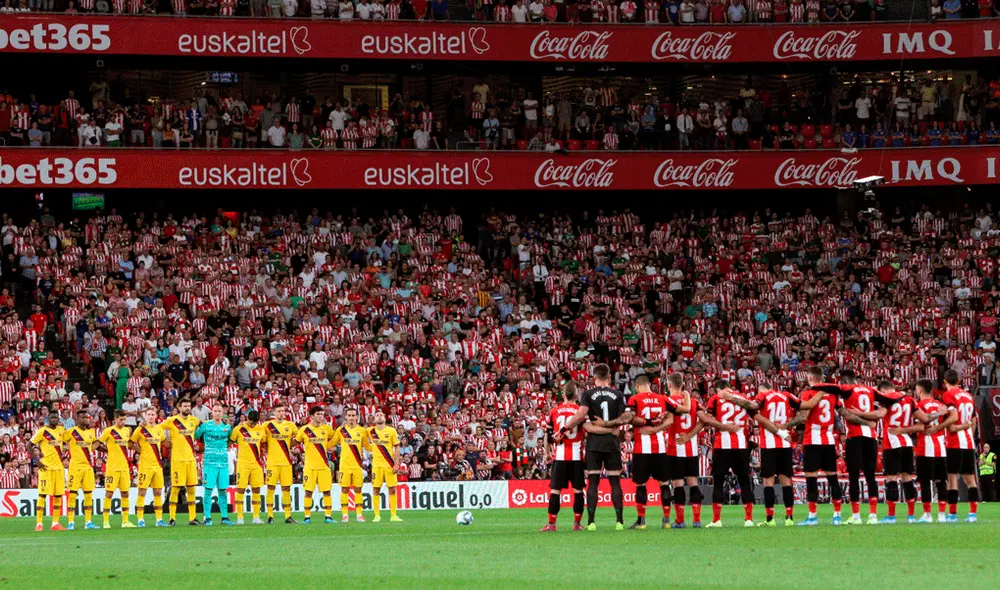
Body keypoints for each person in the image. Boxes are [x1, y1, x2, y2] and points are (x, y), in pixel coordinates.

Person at [796, 366, 870, 526]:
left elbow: (804, 416)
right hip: (829, 441)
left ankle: (812, 516)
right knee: (833, 478)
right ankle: (837, 516)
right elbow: (846, 414)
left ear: (810, 378)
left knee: (811, 479)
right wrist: (865, 422)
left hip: (812, 440)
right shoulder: (832, 395)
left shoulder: (808, 393)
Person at [563, 363, 632, 530]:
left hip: (594, 443)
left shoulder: (588, 394)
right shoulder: (618, 394)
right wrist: (611, 426)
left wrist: (565, 427)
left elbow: (582, 418)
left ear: (594, 377)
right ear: (609, 377)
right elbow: (626, 417)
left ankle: (591, 522)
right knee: (615, 482)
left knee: (593, 482)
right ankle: (619, 522)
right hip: (612, 443)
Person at [626, 375, 687, 529]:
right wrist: (686, 395)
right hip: (660, 448)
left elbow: (630, 419)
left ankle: (641, 522)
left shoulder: (634, 399)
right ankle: (666, 521)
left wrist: (648, 424)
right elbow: (678, 414)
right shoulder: (663, 398)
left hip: (642, 448)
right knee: (664, 484)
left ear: (637, 386)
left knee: (640, 485)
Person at [700, 380, 756, 527]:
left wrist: (724, 426)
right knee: (745, 481)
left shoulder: (716, 398)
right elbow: (754, 409)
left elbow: (707, 419)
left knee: (718, 482)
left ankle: (716, 520)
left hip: (722, 445)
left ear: (719, 389)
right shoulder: (742, 397)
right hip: (741, 445)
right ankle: (749, 519)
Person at [743, 382, 798, 526]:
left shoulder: (763, 396)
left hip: (769, 444)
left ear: (762, 390)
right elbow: (802, 407)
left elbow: (753, 407)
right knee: (786, 481)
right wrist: (789, 425)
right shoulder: (786, 395)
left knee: (768, 482)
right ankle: (789, 518)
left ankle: (770, 519)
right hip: (785, 443)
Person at [836, 371, 885, 525]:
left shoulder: (847, 390)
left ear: (845, 381)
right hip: (871, 437)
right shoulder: (870, 390)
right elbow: (882, 406)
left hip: (855, 436)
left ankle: (856, 516)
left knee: (854, 476)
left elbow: (848, 415)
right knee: (871, 476)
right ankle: (873, 516)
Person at [540, 382, 586, 532]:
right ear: (576, 395)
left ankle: (551, 524)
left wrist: (547, 453)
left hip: (559, 456)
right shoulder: (580, 411)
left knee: (555, 491)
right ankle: (577, 524)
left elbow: (547, 435)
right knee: (578, 491)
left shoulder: (554, 411)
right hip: (577, 457)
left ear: (563, 395)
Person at [873, 381, 921, 524]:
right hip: (907, 442)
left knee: (891, 478)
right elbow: (921, 419)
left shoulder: (887, 399)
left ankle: (891, 516)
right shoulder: (909, 399)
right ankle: (911, 515)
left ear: (884, 390)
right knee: (907, 478)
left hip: (891, 443)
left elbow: (880, 414)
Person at [940, 369, 980, 522]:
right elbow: (974, 421)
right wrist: (968, 432)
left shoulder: (948, 395)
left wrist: (953, 427)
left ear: (945, 382)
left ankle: (953, 514)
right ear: (959, 381)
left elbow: (951, 421)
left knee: (952, 478)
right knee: (970, 479)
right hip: (968, 442)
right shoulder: (969, 396)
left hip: (954, 442)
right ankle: (972, 514)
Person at [913, 378, 955, 523]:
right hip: (940, 447)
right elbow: (952, 419)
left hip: (925, 447)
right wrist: (939, 427)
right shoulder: (940, 404)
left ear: (920, 390)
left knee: (925, 481)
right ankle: (942, 514)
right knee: (941, 481)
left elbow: (920, 425)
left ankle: (927, 514)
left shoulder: (919, 405)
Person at [665, 373, 702, 528]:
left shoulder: (668, 401)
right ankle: (697, 520)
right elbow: (704, 421)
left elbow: (666, 422)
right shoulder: (693, 401)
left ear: (669, 385)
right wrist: (690, 435)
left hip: (675, 448)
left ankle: (680, 521)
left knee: (678, 484)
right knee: (693, 483)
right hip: (691, 449)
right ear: (682, 385)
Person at [162, 397, 202, 526]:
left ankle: (192, 518)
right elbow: (157, 428)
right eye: (184, 406)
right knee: (175, 489)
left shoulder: (194, 420)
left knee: (191, 489)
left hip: (190, 460)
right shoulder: (172, 421)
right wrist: (164, 441)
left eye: (188, 406)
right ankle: (172, 518)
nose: (187, 408)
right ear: (179, 408)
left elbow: (204, 426)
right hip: (177, 461)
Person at [195, 404, 233, 526]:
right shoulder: (206, 425)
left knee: (222, 490)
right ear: (212, 413)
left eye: (219, 411)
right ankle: (207, 518)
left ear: (223, 413)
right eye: (215, 411)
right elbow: (195, 435)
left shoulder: (227, 427)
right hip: (209, 464)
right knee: (208, 490)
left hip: (223, 464)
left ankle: (224, 517)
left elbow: (231, 440)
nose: (217, 413)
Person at [330, 407, 370, 522]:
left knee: (358, 489)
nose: (351, 418)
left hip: (357, 465)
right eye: (349, 415)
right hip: (344, 465)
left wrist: (379, 448)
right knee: (344, 489)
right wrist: (320, 443)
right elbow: (332, 443)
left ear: (357, 417)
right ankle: (345, 515)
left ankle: (359, 515)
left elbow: (367, 446)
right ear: (346, 417)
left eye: (353, 415)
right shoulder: (341, 430)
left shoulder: (362, 431)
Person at [296, 406, 335, 524]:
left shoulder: (327, 429)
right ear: (312, 416)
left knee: (327, 491)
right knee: (308, 492)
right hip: (310, 467)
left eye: (322, 414)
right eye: (318, 414)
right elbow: (296, 442)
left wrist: (332, 447)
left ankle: (328, 516)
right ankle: (307, 517)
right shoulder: (304, 430)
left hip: (324, 466)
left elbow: (335, 440)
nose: (321, 416)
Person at [97, 410, 135, 528]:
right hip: (112, 468)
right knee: (109, 493)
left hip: (124, 468)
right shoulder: (108, 431)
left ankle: (125, 521)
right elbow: (98, 444)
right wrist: (106, 450)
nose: (123, 422)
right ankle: (105, 521)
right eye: (121, 419)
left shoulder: (127, 431)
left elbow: (129, 444)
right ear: (115, 419)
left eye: (124, 419)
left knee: (125, 493)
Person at [130, 407, 167, 527]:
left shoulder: (159, 429)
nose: (150, 416)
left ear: (156, 416)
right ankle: (140, 519)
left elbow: (164, 443)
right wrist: (140, 450)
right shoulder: (140, 429)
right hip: (145, 466)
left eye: (152, 414)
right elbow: (130, 443)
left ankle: (159, 520)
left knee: (158, 492)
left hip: (157, 465)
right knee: (142, 492)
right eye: (148, 414)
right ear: (145, 416)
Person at [262, 404, 298, 524]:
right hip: (272, 462)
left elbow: (299, 437)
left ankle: (288, 516)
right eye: (279, 411)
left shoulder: (290, 425)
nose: (281, 413)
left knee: (286, 488)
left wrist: (289, 447)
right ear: (274, 413)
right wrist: (265, 450)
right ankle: (270, 516)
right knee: (270, 488)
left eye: (283, 411)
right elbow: (260, 437)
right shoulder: (267, 425)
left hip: (286, 462)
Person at [31, 411, 66, 531]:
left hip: (59, 468)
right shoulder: (42, 431)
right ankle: (39, 523)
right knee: (42, 495)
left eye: (56, 417)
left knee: (58, 495)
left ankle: (55, 523)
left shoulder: (61, 430)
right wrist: (37, 461)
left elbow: (70, 440)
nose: (54, 419)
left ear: (58, 419)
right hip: (46, 468)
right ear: (48, 418)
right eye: (52, 417)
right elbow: (29, 445)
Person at [63, 410, 98, 530]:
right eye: (83, 417)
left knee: (88, 495)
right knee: (72, 495)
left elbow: (95, 444)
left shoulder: (91, 432)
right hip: (75, 467)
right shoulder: (70, 432)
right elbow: (61, 442)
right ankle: (71, 522)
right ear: (77, 419)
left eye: (87, 417)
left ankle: (88, 522)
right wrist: (65, 448)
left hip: (88, 467)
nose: (86, 419)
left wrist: (93, 449)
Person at [230, 410, 266, 524]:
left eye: (255, 422)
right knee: (241, 489)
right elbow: (230, 442)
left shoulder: (260, 429)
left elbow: (264, 443)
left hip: (256, 464)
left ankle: (256, 517)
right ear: (247, 418)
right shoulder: (238, 429)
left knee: (257, 489)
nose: (253, 424)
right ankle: (240, 517)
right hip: (243, 464)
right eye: (251, 422)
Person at [368, 411, 403, 523]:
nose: (379, 416)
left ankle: (393, 515)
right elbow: (361, 441)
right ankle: (377, 515)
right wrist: (371, 449)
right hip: (376, 465)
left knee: (392, 489)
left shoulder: (391, 431)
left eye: (381, 415)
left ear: (384, 417)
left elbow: (397, 447)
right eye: (377, 415)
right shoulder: (370, 431)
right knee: (376, 489)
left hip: (389, 465)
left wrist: (396, 463)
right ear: (374, 419)